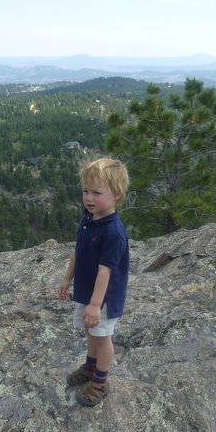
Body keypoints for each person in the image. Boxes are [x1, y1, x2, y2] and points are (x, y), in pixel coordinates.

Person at [58, 157, 130, 406]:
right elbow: (78, 250)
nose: (89, 198)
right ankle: (90, 367)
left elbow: (105, 272)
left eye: (96, 193)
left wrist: (94, 305)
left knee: (102, 337)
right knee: (91, 331)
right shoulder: (89, 219)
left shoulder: (113, 232)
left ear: (116, 195)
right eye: (85, 191)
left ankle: (100, 381)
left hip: (104, 298)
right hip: (87, 290)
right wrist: (68, 277)